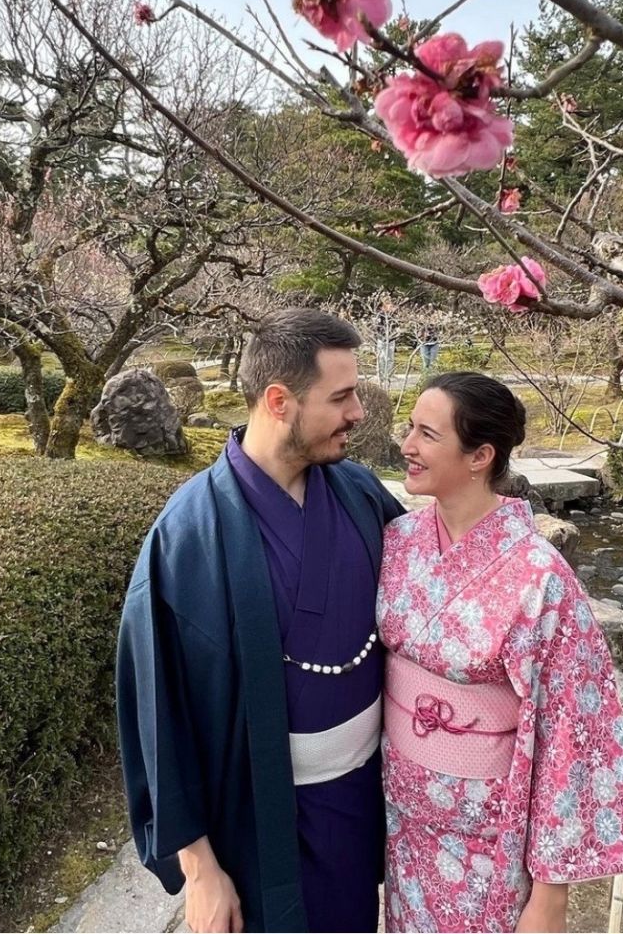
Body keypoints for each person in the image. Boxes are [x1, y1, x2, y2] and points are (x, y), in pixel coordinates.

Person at [117, 308, 406, 933]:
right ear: (279, 401)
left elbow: (435, 595)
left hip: (359, 795)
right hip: (254, 814)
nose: (359, 412)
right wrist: (199, 866)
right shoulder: (189, 533)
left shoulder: (359, 493)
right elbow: (158, 711)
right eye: (341, 397)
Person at [377, 372, 623, 933]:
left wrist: (551, 893)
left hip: (488, 835)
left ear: (480, 456)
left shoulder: (539, 574)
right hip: (402, 817)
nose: (406, 445)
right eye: (410, 429)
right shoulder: (400, 540)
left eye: (427, 434)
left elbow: (575, 733)